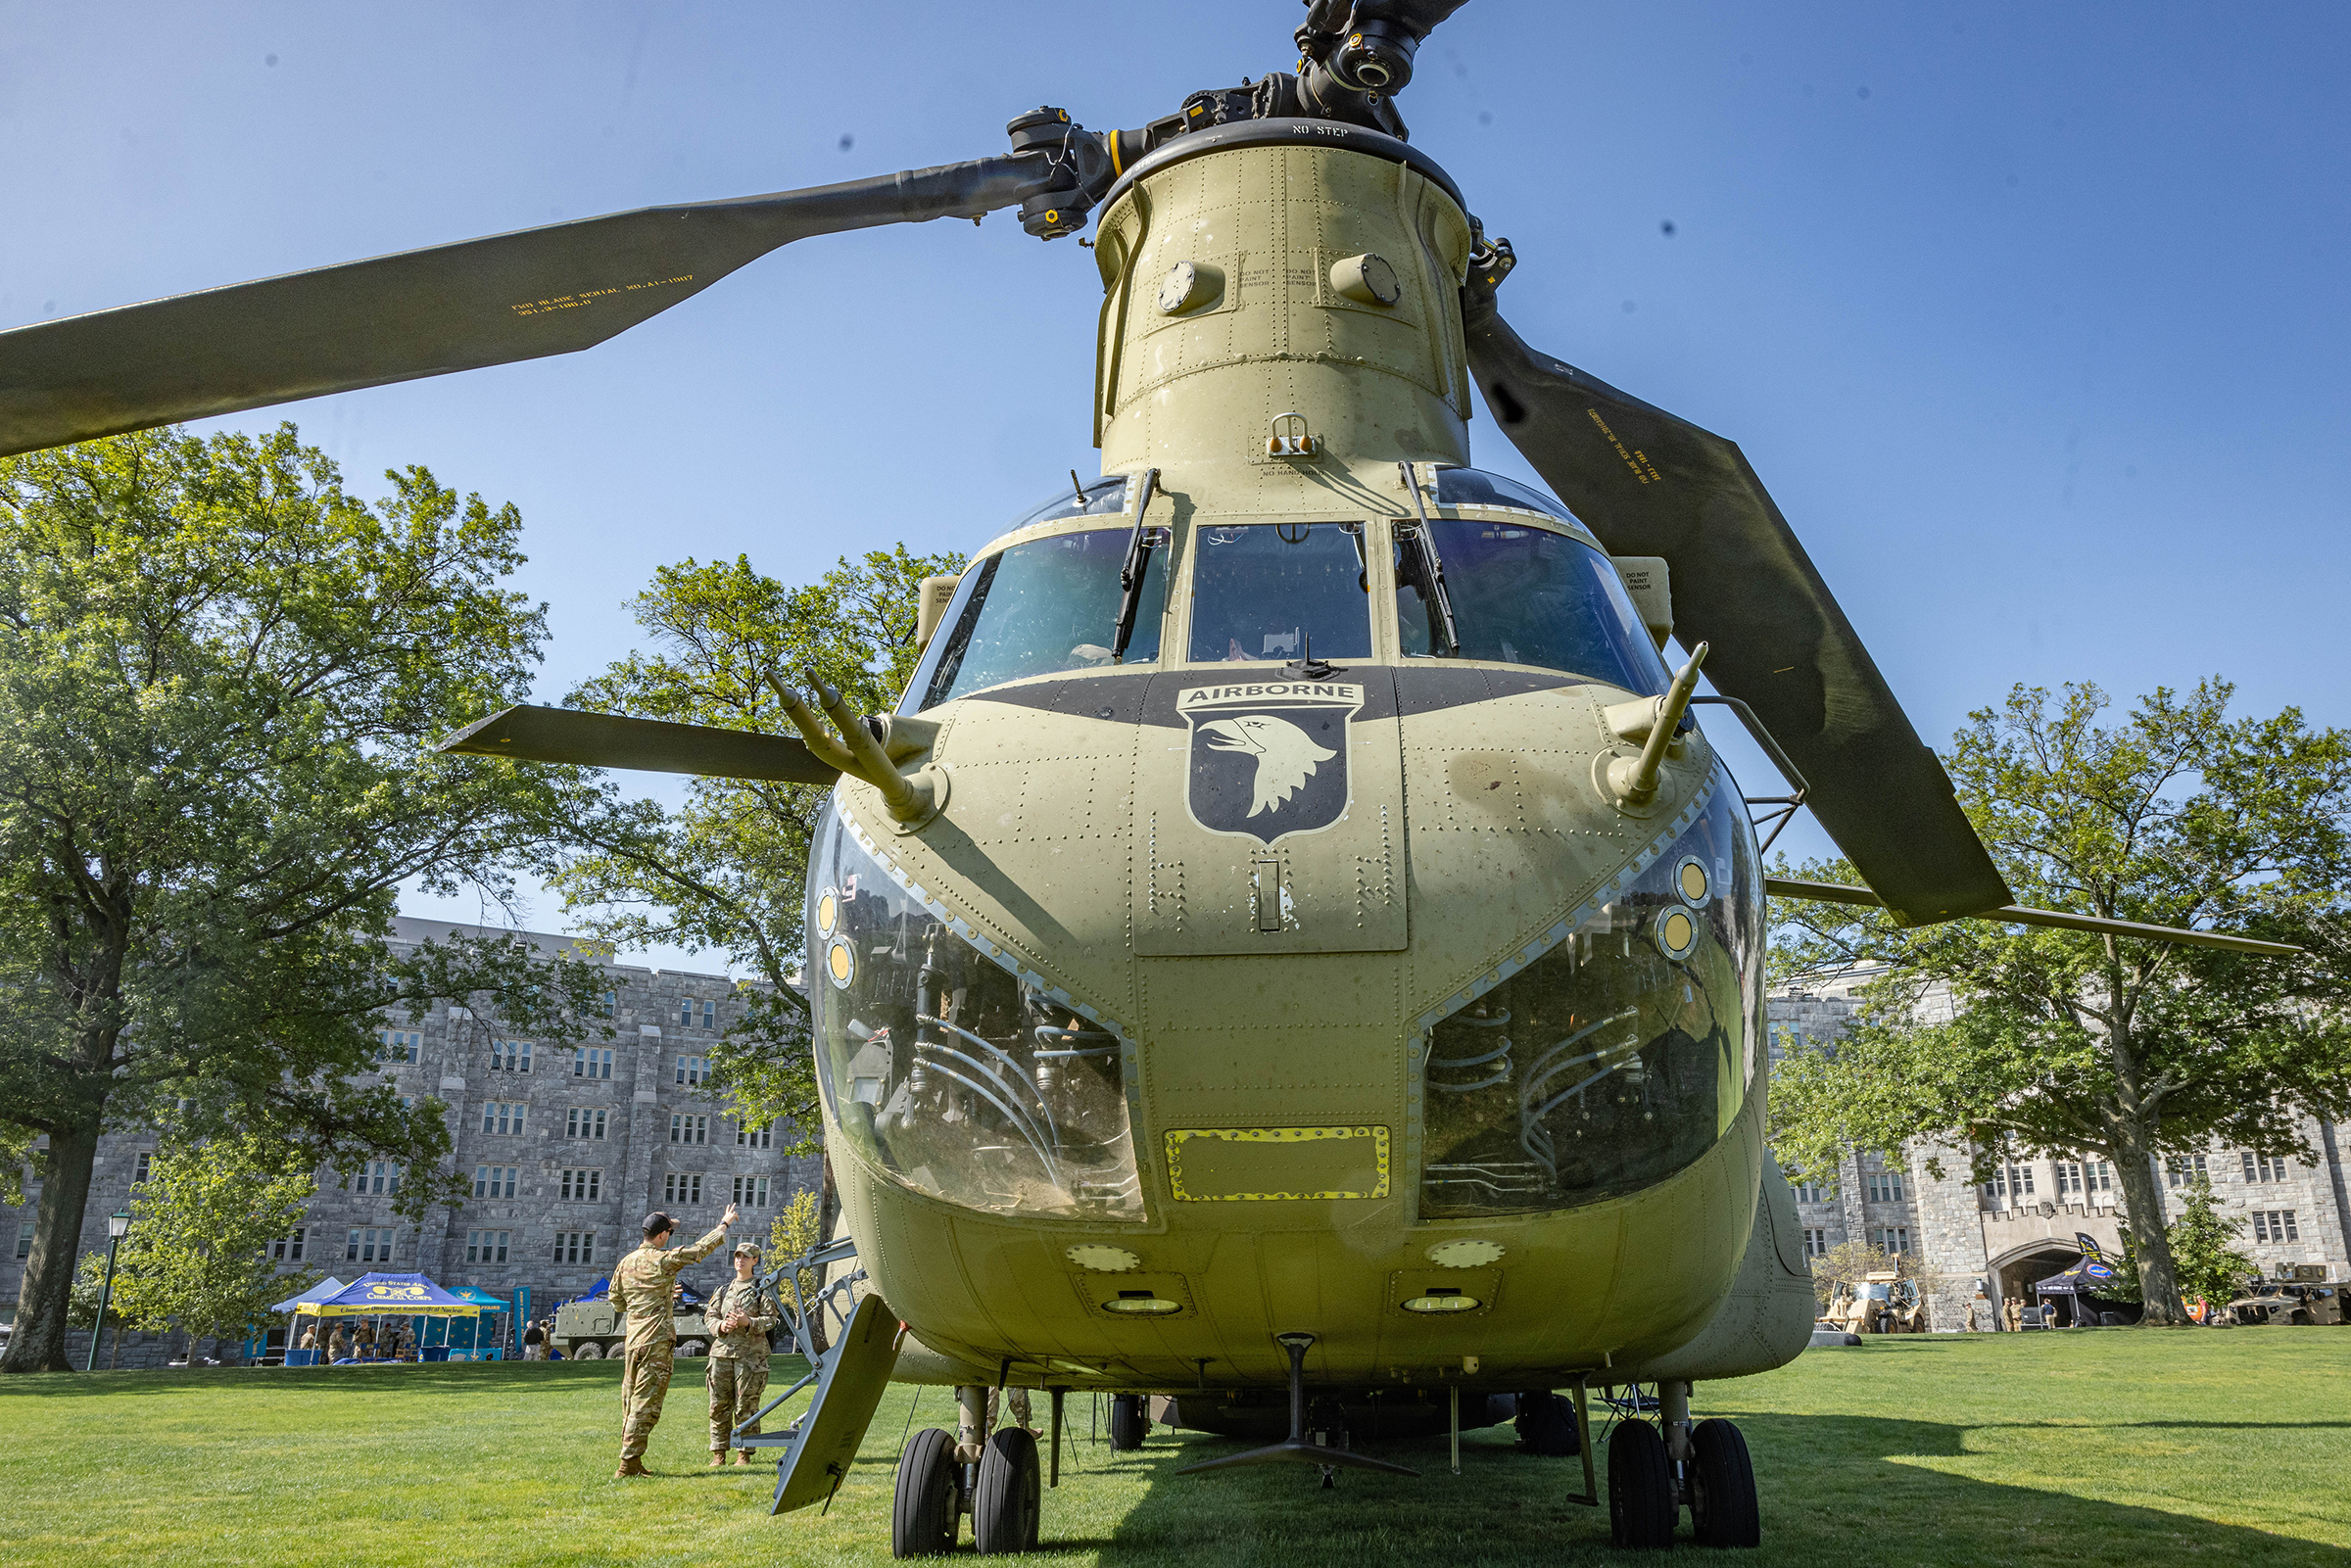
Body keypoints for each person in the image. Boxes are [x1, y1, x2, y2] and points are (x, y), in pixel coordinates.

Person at [611, 1203, 738, 1478]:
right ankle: (627, 1462)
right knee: (646, 1403)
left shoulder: (626, 1263)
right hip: (655, 1340)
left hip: (633, 1341)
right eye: (669, 1231)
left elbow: (617, 1301)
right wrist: (723, 1225)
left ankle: (633, 1461)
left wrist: (658, 1298)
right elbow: (698, 1251)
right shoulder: (662, 1260)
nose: (670, 1236)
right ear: (660, 1236)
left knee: (631, 1401)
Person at [704, 1241, 782, 1465]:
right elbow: (710, 1316)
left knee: (746, 1405)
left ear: (755, 1261)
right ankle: (719, 1452)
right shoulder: (723, 1289)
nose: (740, 1260)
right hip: (721, 1353)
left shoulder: (761, 1289)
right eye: (737, 1256)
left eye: (746, 1257)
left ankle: (744, 1452)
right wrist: (720, 1327)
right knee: (718, 1405)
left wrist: (749, 1322)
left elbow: (771, 1320)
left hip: (750, 1357)